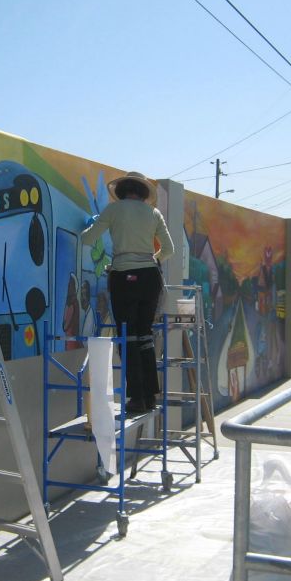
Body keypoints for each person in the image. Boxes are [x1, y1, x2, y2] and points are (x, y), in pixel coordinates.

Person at [82, 172, 174, 413]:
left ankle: (136, 397)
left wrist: (86, 227)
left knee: (128, 336)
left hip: (124, 276)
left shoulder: (114, 210)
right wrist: (150, 259)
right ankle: (150, 395)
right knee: (144, 335)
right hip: (150, 278)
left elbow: (88, 239)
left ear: (121, 191)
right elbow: (169, 249)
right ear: (143, 192)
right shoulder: (153, 213)